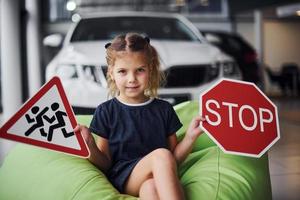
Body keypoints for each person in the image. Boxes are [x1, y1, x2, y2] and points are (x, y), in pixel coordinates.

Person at [75, 33, 205, 200]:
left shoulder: (164, 109)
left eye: (140, 70)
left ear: (150, 70)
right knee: (162, 155)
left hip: (154, 178)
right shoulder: (106, 111)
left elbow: (173, 161)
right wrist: (90, 146)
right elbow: (105, 163)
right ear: (111, 73)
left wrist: (190, 138)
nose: (132, 79)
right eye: (123, 71)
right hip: (124, 179)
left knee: (150, 188)